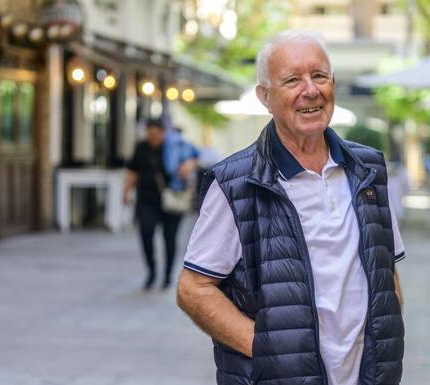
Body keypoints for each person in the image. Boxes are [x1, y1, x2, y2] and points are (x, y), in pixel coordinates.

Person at [177, 30, 405, 385]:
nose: (310, 90)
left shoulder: (368, 170)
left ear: (333, 83)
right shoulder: (235, 183)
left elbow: (386, 271)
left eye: (319, 75)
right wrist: (268, 351)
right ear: (265, 97)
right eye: (292, 80)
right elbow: (194, 289)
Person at [123, 118, 198, 290]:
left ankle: (168, 275)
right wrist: (126, 191)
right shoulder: (141, 147)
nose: (153, 137)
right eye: (150, 134)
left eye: (157, 134)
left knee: (169, 238)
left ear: (164, 132)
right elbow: (133, 170)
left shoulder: (175, 146)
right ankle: (151, 271)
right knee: (146, 232)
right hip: (147, 199)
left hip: (173, 199)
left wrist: (188, 165)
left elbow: (195, 157)